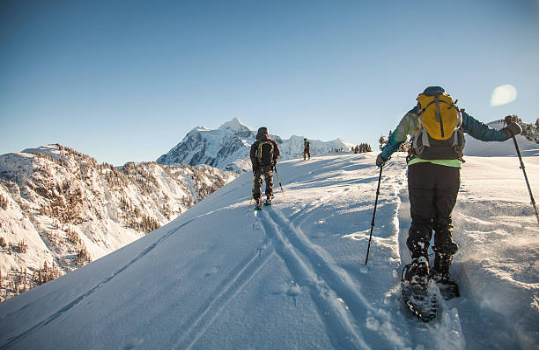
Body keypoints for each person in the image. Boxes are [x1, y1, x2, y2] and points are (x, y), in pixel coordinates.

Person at [376, 86, 522, 289]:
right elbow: (486, 134)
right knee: (444, 218)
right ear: (445, 97)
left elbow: (396, 139)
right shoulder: (457, 114)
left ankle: (419, 264)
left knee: (421, 217)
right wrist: (508, 133)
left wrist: (383, 156)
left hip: (421, 169)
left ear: (423, 98)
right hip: (450, 170)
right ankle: (443, 267)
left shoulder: (416, 113)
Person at [250, 127, 280, 208]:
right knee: (269, 181)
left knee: (258, 182)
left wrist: (255, 165)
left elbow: (252, 156)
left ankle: (258, 200)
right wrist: (274, 163)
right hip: (269, 166)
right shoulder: (272, 142)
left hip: (259, 166)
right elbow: (277, 154)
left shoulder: (256, 144)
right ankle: (269, 198)